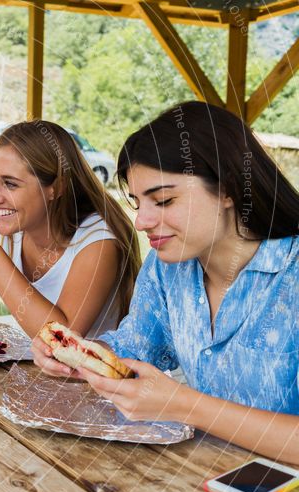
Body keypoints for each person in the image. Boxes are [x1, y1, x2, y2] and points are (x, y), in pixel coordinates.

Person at [32, 101, 299, 465]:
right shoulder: (167, 267)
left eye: (164, 200)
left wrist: (187, 406)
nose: (141, 221)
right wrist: (75, 354)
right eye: (138, 202)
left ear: (228, 190)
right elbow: (132, 349)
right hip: (205, 483)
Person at [0, 120, 140, 339]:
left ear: (56, 188)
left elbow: (61, 339)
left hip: (95, 372)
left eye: (10, 183)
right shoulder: (13, 234)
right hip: (42, 370)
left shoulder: (99, 243)